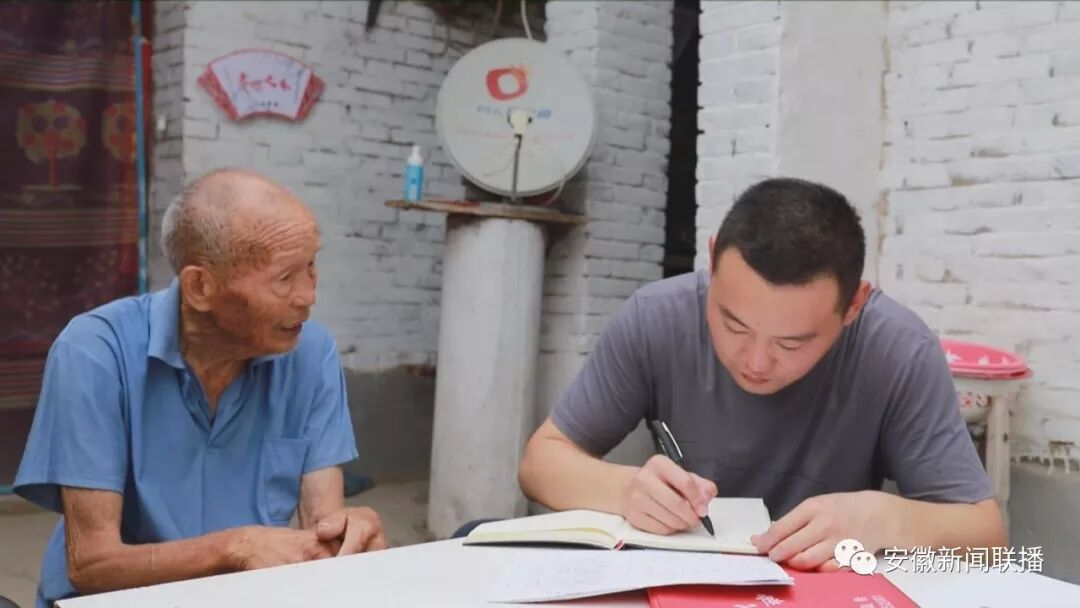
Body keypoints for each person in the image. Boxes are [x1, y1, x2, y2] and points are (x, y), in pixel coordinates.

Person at [519, 177, 1006, 571]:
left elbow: (987, 536)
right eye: (733, 325)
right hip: (681, 579)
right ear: (712, 261)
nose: (755, 361)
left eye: (792, 343)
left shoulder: (897, 351)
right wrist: (625, 491)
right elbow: (541, 462)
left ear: (854, 305)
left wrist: (890, 519)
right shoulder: (658, 319)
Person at [13, 169, 387, 608]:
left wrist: (345, 536)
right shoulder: (96, 351)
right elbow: (92, 564)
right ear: (200, 286)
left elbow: (322, 524)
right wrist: (235, 548)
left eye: (311, 267)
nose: (308, 296)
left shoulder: (311, 353)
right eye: (285, 278)